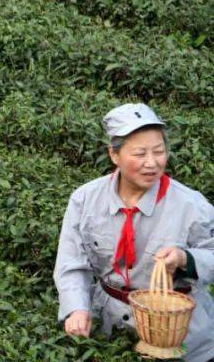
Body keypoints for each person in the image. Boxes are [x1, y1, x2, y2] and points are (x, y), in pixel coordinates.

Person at [54, 104, 213, 360]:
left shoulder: (192, 205)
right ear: (114, 155)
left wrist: (186, 258)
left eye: (159, 152)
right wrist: (77, 309)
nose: (152, 163)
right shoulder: (85, 200)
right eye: (140, 153)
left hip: (181, 337)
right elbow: (72, 264)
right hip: (109, 329)